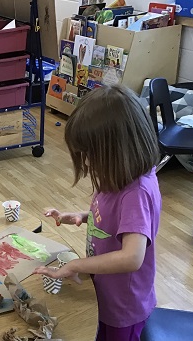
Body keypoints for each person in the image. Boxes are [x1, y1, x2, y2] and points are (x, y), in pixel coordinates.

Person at [34, 84, 161, 341]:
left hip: (123, 308)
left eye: (92, 154)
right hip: (106, 292)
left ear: (121, 149)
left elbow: (132, 257)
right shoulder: (118, 175)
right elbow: (117, 221)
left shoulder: (136, 192)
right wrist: (83, 216)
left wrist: (77, 264)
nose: (88, 162)